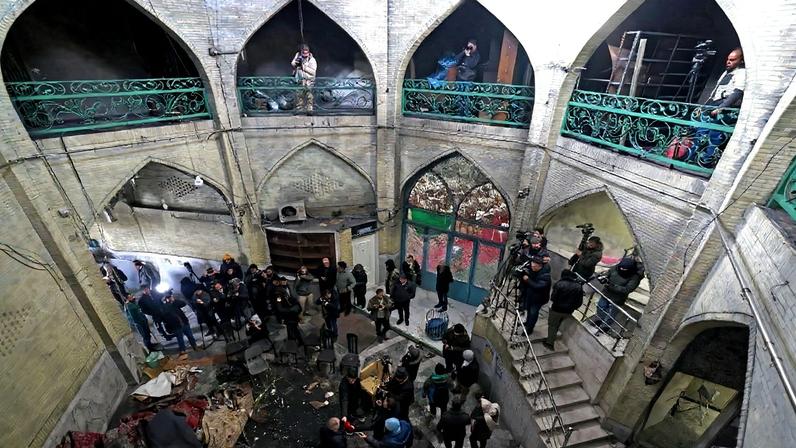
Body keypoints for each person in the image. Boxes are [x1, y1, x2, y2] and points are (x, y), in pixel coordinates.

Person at [691, 47, 745, 165]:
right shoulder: (726, 73)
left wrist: (722, 107)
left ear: (740, 60)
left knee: (715, 136)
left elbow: (737, 92)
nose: (728, 62)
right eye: (728, 59)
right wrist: (704, 106)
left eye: (733, 60)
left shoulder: (741, 73)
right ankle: (693, 156)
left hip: (724, 107)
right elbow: (715, 91)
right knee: (701, 131)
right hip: (714, 104)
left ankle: (706, 160)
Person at [596, 258, 642, 333]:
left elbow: (627, 289)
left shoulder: (635, 277)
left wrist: (612, 286)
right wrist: (604, 277)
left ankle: (605, 326)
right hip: (607, 293)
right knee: (600, 307)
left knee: (612, 313)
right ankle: (601, 320)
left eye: (624, 269)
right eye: (621, 267)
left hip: (618, 298)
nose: (622, 269)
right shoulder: (616, 268)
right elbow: (609, 272)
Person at [544, 269, 585, 351]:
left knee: (552, 325)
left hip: (557, 310)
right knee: (558, 323)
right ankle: (553, 336)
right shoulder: (578, 286)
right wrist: (573, 308)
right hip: (569, 311)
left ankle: (550, 343)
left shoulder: (559, 284)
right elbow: (579, 302)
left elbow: (553, 298)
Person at [161, 292, 198, 358]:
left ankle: (194, 346)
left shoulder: (176, 303)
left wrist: (174, 301)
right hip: (176, 326)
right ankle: (182, 351)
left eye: (171, 297)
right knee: (180, 339)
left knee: (190, 335)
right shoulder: (165, 307)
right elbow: (165, 316)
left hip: (184, 322)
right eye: (169, 297)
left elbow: (183, 303)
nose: (171, 298)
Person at [521, 257, 552, 334]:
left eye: (534, 267)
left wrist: (527, 279)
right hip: (531, 295)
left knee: (533, 313)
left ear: (540, 266)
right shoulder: (534, 270)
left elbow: (537, 286)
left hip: (538, 299)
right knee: (528, 310)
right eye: (532, 266)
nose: (532, 268)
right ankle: (527, 322)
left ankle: (529, 329)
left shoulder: (545, 276)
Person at [291, 43, 317, 112]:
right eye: (303, 53)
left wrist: (304, 67)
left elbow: (313, 72)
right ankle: (299, 109)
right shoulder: (298, 56)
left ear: (308, 52)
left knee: (309, 96)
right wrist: (296, 63)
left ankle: (309, 110)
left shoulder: (312, 60)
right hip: (300, 80)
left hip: (309, 81)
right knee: (299, 96)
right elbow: (293, 63)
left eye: (306, 54)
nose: (304, 56)